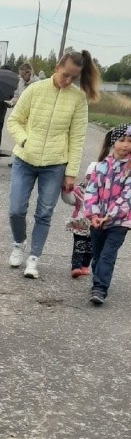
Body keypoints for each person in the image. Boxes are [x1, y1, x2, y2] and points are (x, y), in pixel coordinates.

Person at [6, 49, 101, 279]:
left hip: (55, 164)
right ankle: (19, 243)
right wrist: (25, 140)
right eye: (65, 74)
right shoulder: (35, 90)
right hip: (25, 159)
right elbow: (14, 120)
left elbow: (77, 138)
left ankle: (34, 258)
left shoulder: (78, 99)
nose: (67, 80)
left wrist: (70, 173)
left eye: (73, 77)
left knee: (45, 212)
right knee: (16, 209)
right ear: (57, 67)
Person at [83, 124, 131, 305]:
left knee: (107, 255)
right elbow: (91, 191)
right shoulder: (100, 167)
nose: (125, 145)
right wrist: (93, 214)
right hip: (98, 220)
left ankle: (100, 288)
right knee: (98, 253)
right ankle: (98, 278)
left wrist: (110, 216)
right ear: (113, 143)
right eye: (121, 140)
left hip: (121, 221)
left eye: (130, 141)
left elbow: (127, 197)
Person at [61, 180, 93, 279]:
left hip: (95, 224)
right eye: (89, 177)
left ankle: (85, 265)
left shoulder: (104, 191)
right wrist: (66, 191)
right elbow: (70, 200)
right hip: (81, 222)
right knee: (79, 245)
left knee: (91, 247)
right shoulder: (80, 190)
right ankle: (76, 266)